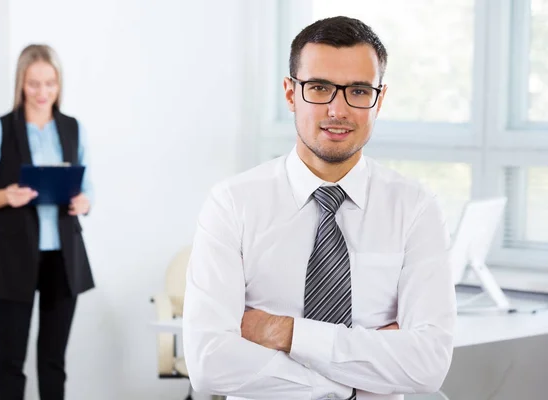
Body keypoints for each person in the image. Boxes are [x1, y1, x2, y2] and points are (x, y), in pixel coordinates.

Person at [182, 16, 456, 400]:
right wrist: (348, 382)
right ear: (291, 93)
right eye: (320, 88)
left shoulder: (416, 208)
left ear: (380, 99)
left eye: (358, 91)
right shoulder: (232, 203)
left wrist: (285, 332)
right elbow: (209, 363)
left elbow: (428, 366)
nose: (337, 110)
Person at [0, 44, 95, 400]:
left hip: (62, 259)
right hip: (13, 257)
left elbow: (88, 190)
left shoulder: (73, 128)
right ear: (21, 83)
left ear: (59, 84)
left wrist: (85, 202)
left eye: (50, 83)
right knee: (12, 361)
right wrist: (6, 195)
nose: (42, 93)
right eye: (33, 84)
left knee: (53, 362)